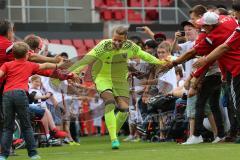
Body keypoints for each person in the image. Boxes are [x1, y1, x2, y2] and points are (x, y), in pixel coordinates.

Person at [68, 26, 167, 149]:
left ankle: (113, 131)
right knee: (110, 102)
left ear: (125, 40)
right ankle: (114, 139)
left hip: (120, 80)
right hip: (102, 78)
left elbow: (145, 56)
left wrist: (162, 62)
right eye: (114, 39)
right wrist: (73, 72)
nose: (116, 42)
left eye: (120, 41)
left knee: (125, 110)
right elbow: (86, 59)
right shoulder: (104, 45)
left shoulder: (131, 47)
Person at [0, 42, 66, 160]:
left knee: (7, 127)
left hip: (7, 95)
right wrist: (58, 64)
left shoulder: (7, 65)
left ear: (13, 54)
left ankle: (3, 155)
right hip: (20, 94)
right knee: (26, 126)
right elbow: (45, 66)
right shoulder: (29, 65)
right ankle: (33, 154)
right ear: (27, 54)